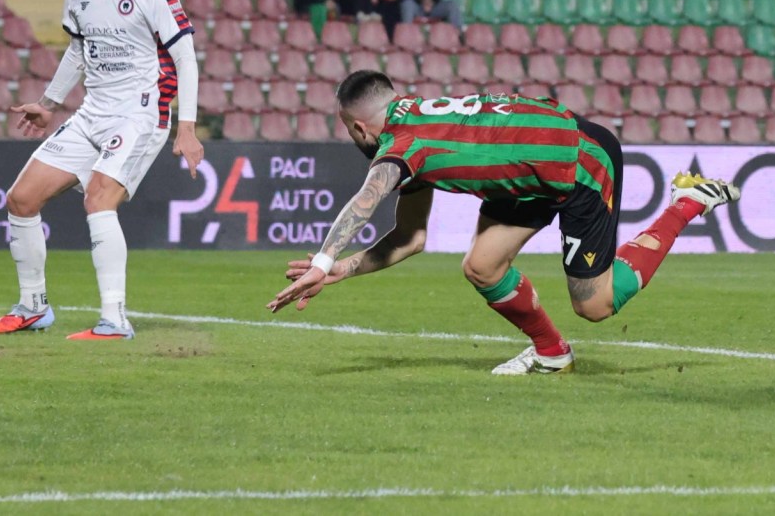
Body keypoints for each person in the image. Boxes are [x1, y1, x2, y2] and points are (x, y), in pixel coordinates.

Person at [267, 71, 740, 375]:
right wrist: (338, 271)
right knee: (483, 265)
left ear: (358, 128)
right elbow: (411, 238)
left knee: (594, 306)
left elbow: (366, 199)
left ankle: (685, 204)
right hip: (527, 175)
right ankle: (552, 354)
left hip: (578, 162)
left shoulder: (403, 144)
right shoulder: (416, 126)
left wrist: (323, 256)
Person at [0, 0, 204, 341]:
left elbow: (186, 59)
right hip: (91, 114)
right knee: (20, 200)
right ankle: (32, 307)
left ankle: (115, 319)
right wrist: (48, 103)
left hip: (140, 114)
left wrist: (188, 127)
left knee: (98, 198)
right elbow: (79, 52)